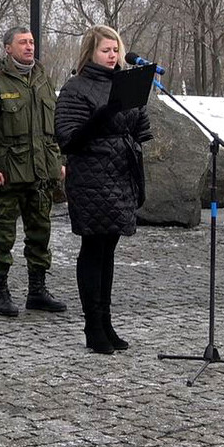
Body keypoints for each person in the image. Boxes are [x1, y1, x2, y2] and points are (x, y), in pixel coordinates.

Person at [55, 25, 151, 354]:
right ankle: (92, 325)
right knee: (93, 248)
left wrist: (137, 112)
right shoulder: (76, 87)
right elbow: (69, 137)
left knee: (109, 249)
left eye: (116, 50)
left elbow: (138, 127)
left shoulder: (123, 82)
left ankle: (106, 322)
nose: (112, 56)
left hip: (121, 174)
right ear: (91, 52)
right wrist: (105, 114)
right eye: (105, 50)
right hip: (91, 176)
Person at [0, 26, 67, 317]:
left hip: (41, 172)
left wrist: (58, 161)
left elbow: (55, 125)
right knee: (3, 236)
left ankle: (37, 291)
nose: (29, 47)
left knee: (40, 234)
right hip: (10, 172)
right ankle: (1, 293)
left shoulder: (43, 77)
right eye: (22, 42)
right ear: (7, 48)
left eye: (32, 42)